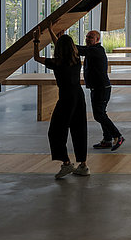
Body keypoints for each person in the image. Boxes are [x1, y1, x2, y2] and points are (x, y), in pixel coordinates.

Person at [32, 32, 90, 179]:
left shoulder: (57, 63)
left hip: (66, 98)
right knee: (79, 129)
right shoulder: (76, 60)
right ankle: (83, 165)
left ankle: (66, 163)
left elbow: (36, 58)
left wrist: (36, 41)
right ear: (72, 47)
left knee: (55, 132)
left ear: (58, 49)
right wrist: (51, 31)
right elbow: (63, 45)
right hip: (78, 96)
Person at [78, 29, 124, 150]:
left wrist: (64, 41)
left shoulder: (97, 50)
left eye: (91, 37)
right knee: (100, 114)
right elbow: (81, 49)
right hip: (97, 88)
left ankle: (117, 136)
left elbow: (80, 50)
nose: (88, 39)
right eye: (87, 37)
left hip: (101, 89)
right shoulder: (92, 50)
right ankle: (107, 139)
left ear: (97, 40)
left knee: (99, 115)